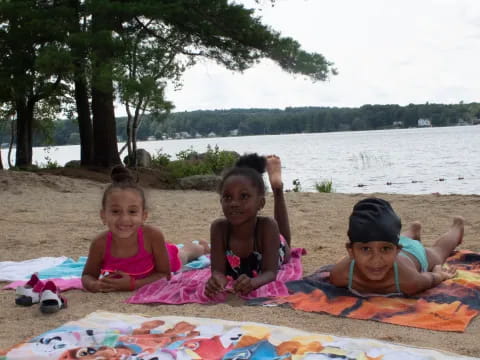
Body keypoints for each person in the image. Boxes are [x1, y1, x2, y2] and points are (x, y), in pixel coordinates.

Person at [82, 166, 208, 292]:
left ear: (144, 216)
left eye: (132, 212)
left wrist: (133, 285)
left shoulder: (153, 236)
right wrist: (94, 285)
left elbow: (164, 275)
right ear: (103, 216)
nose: (124, 219)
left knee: (185, 253)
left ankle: (202, 247)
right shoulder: (99, 244)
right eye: (115, 211)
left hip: (165, 259)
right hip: (151, 256)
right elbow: (88, 275)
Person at [330, 197, 463, 296]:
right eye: (366, 249)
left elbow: (430, 279)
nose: (376, 260)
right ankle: (413, 230)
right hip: (395, 241)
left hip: (414, 254)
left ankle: (457, 227)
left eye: (385, 249)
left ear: (397, 251)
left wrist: (439, 274)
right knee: (386, 239)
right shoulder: (340, 275)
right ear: (351, 251)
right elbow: (385, 242)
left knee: (439, 252)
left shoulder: (408, 281)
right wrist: (387, 247)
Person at [205, 154, 291, 297]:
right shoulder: (219, 229)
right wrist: (217, 281)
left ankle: (277, 189)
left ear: (261, 203)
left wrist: (254, 282)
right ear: (221, 201)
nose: (234, 203)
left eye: (243, 196)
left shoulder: (267, 227)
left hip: (277, 244)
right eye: (227, 197)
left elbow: (270, 272)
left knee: (286, 241)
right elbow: (218, 271)